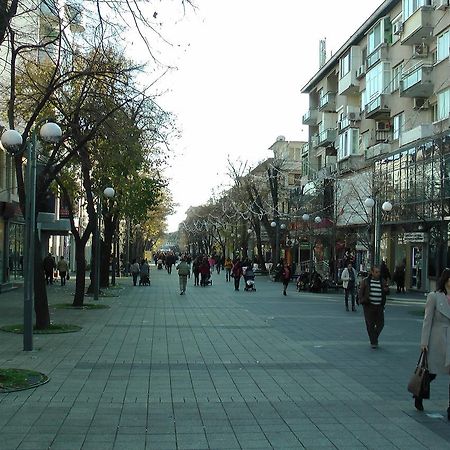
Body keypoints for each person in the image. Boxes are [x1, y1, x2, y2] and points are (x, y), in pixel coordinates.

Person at [415, 268, 450, 418]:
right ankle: (419, 395)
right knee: (431, 373)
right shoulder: (434, 297)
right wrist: (424, 342)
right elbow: (427, 320)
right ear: (446, 280)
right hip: (438, 339)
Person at [358, 265, 389, 349]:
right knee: (370, 324)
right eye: (376, 272)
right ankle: (374, 341)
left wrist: (386, 289)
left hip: (379, 306)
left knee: (381, 324)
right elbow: (360, 292)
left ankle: (374, 337)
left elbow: (386, 291)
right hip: (369, 306)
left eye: (379, 272)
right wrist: (362, 300)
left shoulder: (382, 281)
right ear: (372, 272)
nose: (378, 273)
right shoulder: (366, 281)